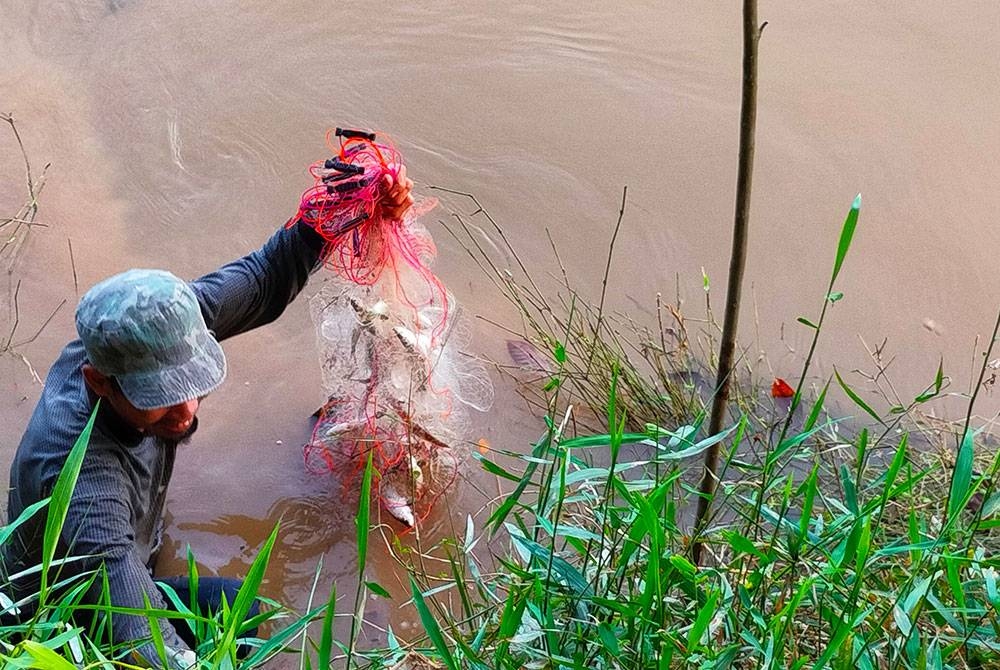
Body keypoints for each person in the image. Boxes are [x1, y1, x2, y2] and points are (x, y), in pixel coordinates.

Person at [1, 169, 414, 668]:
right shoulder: (87, 485)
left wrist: (345, 204)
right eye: (161, 395)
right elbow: (143, 636)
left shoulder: (156, 327)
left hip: (126, 553)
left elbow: (264, 279)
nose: (187, 408)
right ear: (98, 382)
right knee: (235, 615)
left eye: (191, 382)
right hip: (66, 611)